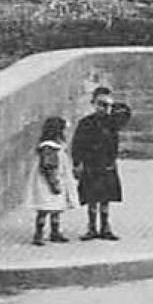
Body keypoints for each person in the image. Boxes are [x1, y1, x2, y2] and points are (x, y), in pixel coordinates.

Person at [70, 86, 132, 240]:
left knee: (106, 198)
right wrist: (77, 163)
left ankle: (105, 227)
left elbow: (125, 114)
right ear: (93, 103)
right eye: (100, 104)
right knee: (91, 198)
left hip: (107, 164)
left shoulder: (112, 121)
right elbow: (77, 144)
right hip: (91, 164)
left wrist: (112, 107)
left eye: (107, 104)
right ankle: (91, 228)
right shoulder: (86, 122)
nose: (103, 108)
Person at [24, 116, 77, 245]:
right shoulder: (49, 147)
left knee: (56, 208)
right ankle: (39, 234)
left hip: (56, 178)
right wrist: (54, 182)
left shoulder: (55, 146)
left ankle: (55, 232)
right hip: (49, 181)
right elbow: (49, 166)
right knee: (45, 208)